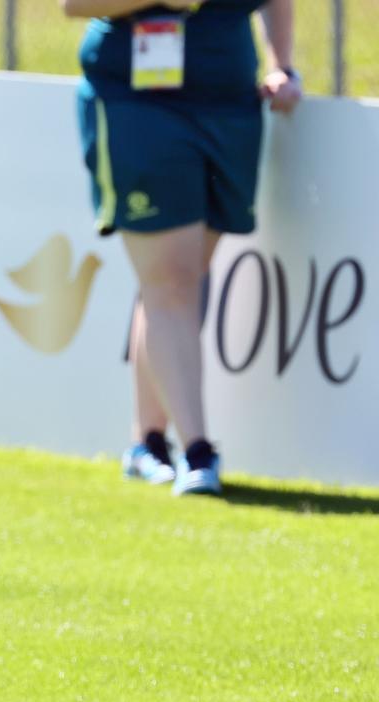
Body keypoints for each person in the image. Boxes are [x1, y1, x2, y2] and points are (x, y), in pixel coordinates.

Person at [62, 0, 301, 495]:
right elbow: (74, 4)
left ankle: (147, 443)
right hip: (136, 102)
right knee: (170, 279)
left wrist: (282, 64)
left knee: (174, 282)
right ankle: (198, 452)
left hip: (230, 103)